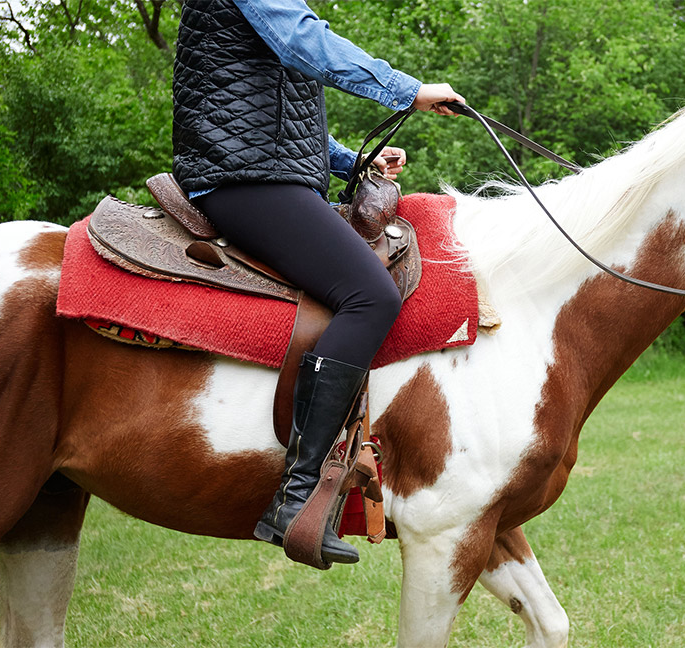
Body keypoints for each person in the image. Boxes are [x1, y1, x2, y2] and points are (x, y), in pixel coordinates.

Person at [171, 0, 466, 566]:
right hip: (243, 181)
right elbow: (302, 42)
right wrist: (406, 89)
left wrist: (353, 163)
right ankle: (296, 497)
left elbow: (278, 119)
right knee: (369, 295)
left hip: (267, 173)